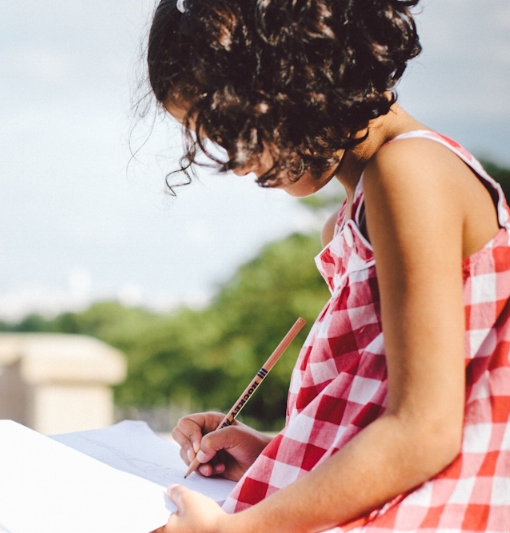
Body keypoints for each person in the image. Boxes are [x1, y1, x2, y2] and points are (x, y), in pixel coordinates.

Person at [145, 0, 510, 531]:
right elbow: (379, 407)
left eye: (234, 128)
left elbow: (423, 431)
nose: (236, 161)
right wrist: (276, 449)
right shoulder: (353, 217)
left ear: (296, 77)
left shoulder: (410, 172)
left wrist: (238, 530)